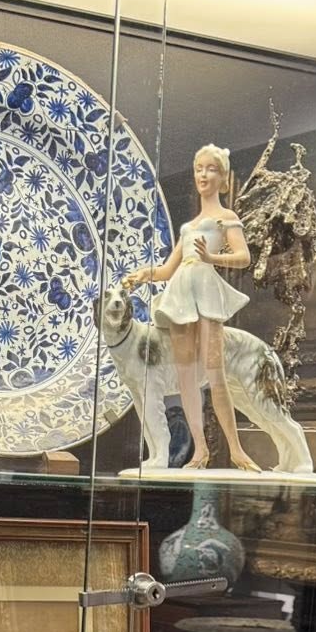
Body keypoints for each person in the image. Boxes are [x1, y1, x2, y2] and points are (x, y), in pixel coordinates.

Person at [124, 143, 258, 472]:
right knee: (186, 376)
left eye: (211, 169)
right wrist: (145, 274)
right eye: (199, 169)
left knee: (215, 372)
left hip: (206, 292)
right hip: (181, 294)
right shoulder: (189, 226)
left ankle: (236, 449)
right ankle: (200, 449)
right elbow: (168, 269)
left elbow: (244, 257)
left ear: (223, 178)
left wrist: (212, 257)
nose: (203, 175)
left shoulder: (226, 218)